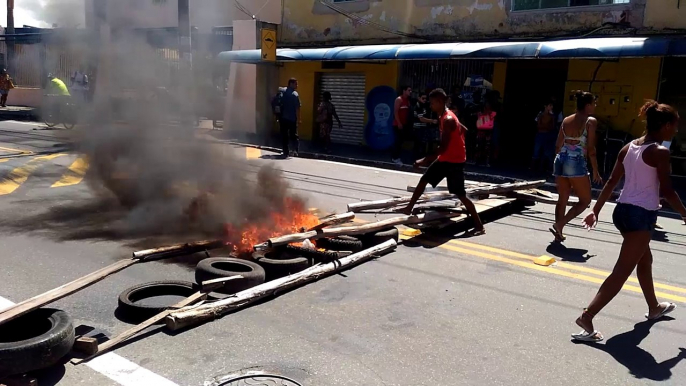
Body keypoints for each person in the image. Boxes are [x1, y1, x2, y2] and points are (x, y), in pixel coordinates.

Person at [572, 101, 686, 342]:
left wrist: (596, 209)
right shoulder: (660, 152)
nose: (675, 131)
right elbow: (667, 190)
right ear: (665, 126)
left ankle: (654, 307)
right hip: (640, 215)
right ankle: (587, 315)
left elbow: (612, 181)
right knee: (622, 271)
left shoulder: (629, 147)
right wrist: (685, 214)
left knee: (645, 259)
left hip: (622, 212)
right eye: (674, 126)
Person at [399, 88, 485, 235]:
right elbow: (463, 130)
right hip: (446, 158)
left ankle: (479, 226)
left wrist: (423, 160)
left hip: (454, 162)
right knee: (424, 179)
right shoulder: (445, 116)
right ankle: (408, 208)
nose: (430, 105)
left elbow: (443, 147)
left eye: (432, 103)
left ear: (440, 102)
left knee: (460, 194)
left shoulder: (448, 119)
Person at [549, 91, 602, 242]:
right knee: (585, 200)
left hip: (560, 160)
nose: (595, 106)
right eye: (594, 103)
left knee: (562, 198)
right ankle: (560, 225)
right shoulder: (590, 121)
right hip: (576, 161)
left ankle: (558, 234)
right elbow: (591, 149)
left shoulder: (566, 120)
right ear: (587, 105)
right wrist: (596, 171)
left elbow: (558, 145)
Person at [531, 100, 557, 172]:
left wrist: (552, 116)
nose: (551, 107)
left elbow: (553, 126)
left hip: (548, 134)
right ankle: (533, 168)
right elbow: (538, 124)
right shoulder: (540, 114)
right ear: (545, 106)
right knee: (536, 150)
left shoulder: (552, 115)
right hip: (540, 134)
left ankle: (543, 167)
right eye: (550, 105)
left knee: (547, 151)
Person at [412, 92, 439, 159]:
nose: (424, 100)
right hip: (418, 128)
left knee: (423, 144)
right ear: (419, 98)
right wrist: (432, 121)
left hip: (423, 128)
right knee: (418, 144)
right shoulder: (418, 106)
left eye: (425, 98)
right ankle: (416, 159)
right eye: (423, 98)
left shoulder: (424, 106)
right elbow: (421, 119)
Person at [280, 78, 301, 158]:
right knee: (294, 135)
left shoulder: (282, 91)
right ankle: (295, 151)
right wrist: (299, 119)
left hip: (283, 118)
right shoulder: (295, 94)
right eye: (296, 84)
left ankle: (286, 152)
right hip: (292, 119)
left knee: (284, 135)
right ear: (291, 84)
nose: (297, 85)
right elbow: (298, 108)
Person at [391, 85, 412, 165]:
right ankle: (394, 158)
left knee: (401, 141)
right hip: (398, 124)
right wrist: (399, 122)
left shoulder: (408, 101)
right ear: (404, 90)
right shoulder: (399, 100)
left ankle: (397, 156)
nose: (410, 92)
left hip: (404, 124)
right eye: (409, 90)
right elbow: (395, 112)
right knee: (398, 141)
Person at [475, 102, 496, 167]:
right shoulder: (480, 114)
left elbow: (489, 124)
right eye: (486, 107)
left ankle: (487, 162)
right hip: (481, 132)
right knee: (479, 146)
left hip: (488, 133)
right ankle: (478, 161)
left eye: (488, 107)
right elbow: (479, 125)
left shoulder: (492, 114)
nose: (487, 108)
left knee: (487, 147)